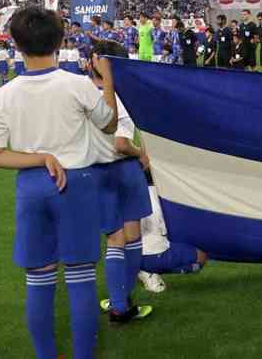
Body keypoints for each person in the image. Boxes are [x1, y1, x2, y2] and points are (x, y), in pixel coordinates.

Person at [0, 6, 119, 359]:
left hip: (32, 187)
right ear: (60, 41)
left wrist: (39, 157)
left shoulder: (5, 93)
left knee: (39, 279)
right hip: (75, 183)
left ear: (15, 44)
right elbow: (108, 124)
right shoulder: (77, 85)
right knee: (80, 278)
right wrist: (108, 80)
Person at [86, 40, 154, 323]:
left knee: (115, 240)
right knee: (132, 236)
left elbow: (117, 142)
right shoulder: (122, 97)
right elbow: (122, 144)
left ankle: (118, 305)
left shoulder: (82, 94)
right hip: (126, 171)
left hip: (98, 172)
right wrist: (142, 155)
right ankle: (122, 302)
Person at [137, 181, 208, 293]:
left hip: (129, 255)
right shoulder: (159, 195)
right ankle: (148, 270)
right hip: (154, 253)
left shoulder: (126, 193)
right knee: (201, 257)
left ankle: (142, 269)